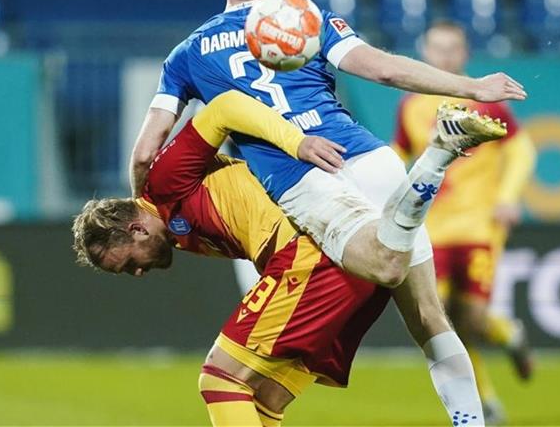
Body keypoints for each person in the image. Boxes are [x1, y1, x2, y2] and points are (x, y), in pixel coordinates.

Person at [128, 0, 526, 425]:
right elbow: (381, 70)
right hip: (366, 156)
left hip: (303, 179)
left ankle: (437, 155)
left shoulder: (185, 55)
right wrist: (471, 86)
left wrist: (146, 198)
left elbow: (146, 150)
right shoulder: (304, 16)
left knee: (382, 268)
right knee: (428, 316)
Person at [75, 91, 500, 426]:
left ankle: (437, 154)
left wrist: (295, 142)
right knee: (265, 398)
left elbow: (224, 106)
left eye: (128, 261)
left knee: (219, 380)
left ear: (135, 228)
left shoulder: (164, 184)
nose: (136, 272)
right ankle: (436, 157)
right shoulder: (176, 227)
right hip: (341, 265)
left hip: (311, 255)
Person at [393, 20, 538, 425]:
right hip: (432, 230)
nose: (444, 56)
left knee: (471, 318)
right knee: (442, 322)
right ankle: (485, 403)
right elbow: (398, 152)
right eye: (437, 48)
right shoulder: (411, 105)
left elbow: (522, 149)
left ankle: (509, 334)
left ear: (465, 54)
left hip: (478, 227)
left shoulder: (486, 101)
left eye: (452, 48)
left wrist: (507, 198)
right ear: (424, 51)